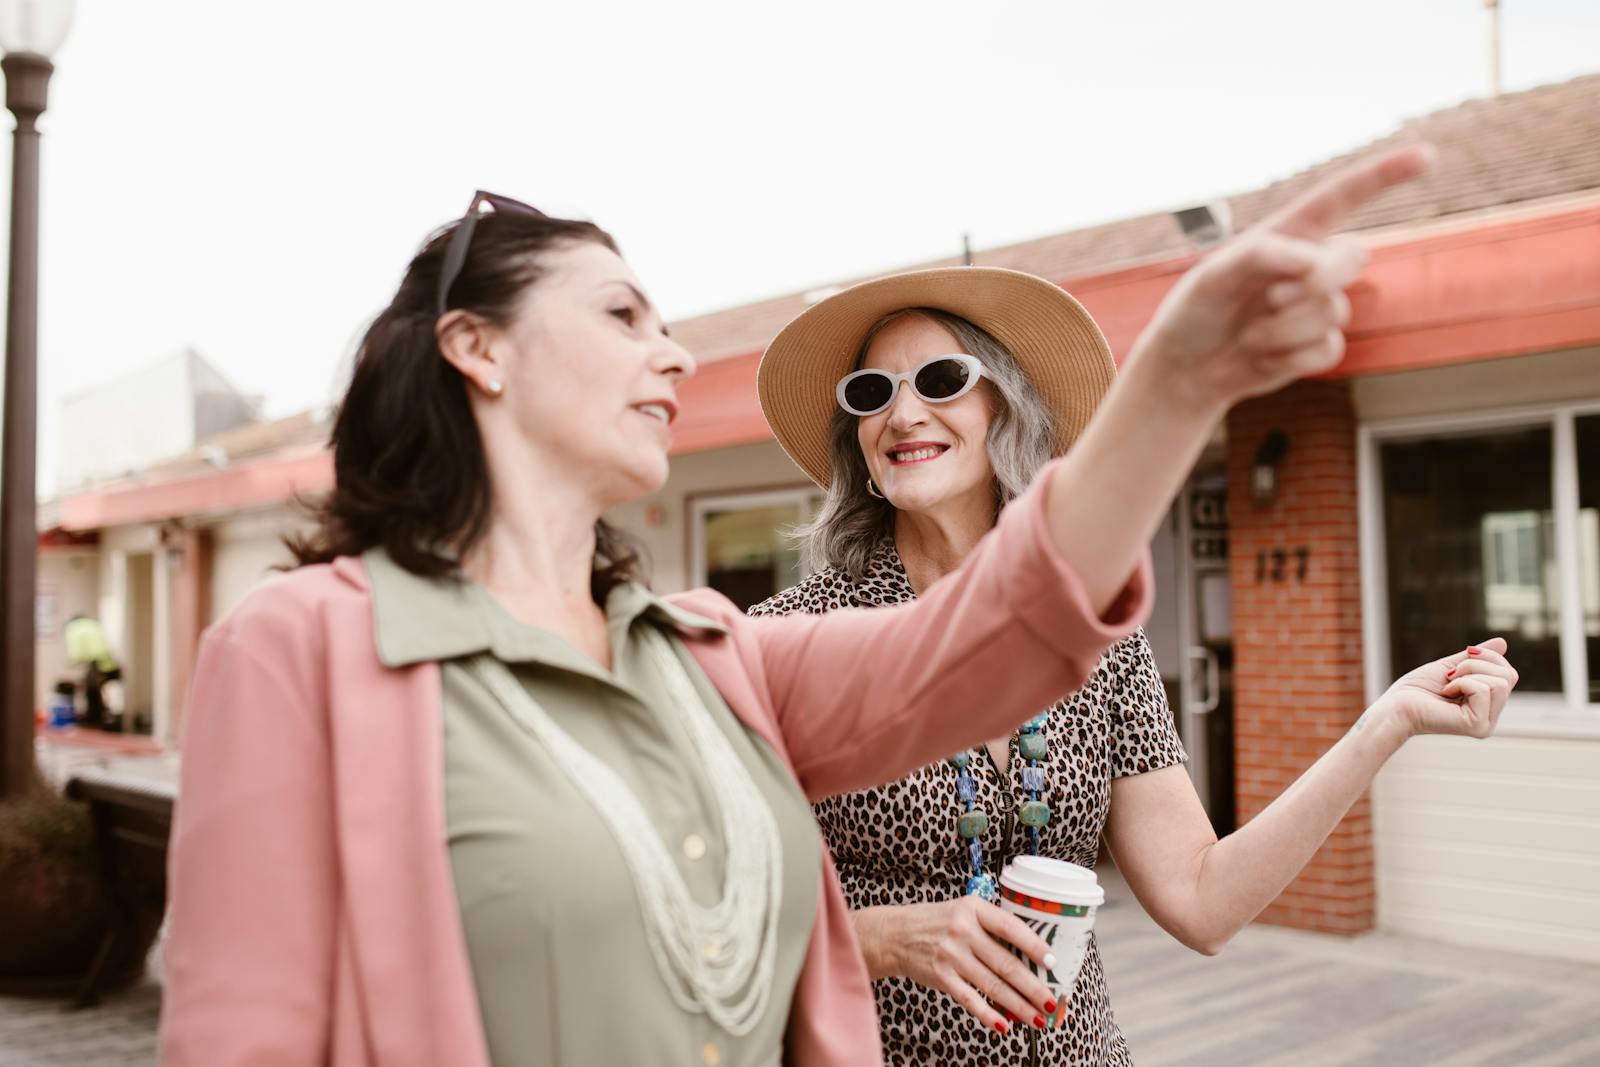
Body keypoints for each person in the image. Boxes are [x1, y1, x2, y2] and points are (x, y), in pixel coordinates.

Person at [159, 150, 1487, 1067]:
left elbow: (1001, 627)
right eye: (625, 311)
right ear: (478, 348)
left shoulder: (705, 656)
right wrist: (882, 936)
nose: (675, 352)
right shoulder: (300, 650)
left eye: (945, 381)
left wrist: (1178, 384)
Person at [747, 244, 1521, 1064]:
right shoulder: (785, 640)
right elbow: (713, 923)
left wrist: (1386, 722)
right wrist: (881, 938)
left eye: (941, 381)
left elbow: (1202, 899)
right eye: (873, 394)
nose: (903, 414)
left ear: (1007, 413)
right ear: (858, 444)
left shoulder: (1094, 632)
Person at [62, 614, 121, 730]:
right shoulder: (93, 624)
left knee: (92, 692)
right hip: (107, 663)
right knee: (99, 692)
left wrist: (71, 663)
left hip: (94, 663)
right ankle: (102, 719)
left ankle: (94, 721)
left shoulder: (73, 628)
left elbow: (77, 653)